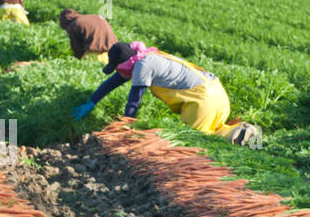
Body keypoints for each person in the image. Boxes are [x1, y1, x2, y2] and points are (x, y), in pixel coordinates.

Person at [72, 41, 260, 146]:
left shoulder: (142, 66)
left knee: (198, 143)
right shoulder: (145, 58)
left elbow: (133, 102)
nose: (119, 72)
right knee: (214, 129)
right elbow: (114, 81)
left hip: (202, 102)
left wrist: (125, 129)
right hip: (215, 94)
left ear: (125, 63)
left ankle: (242, 136)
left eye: (118, 67)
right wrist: (92, 101)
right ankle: (243, 131)